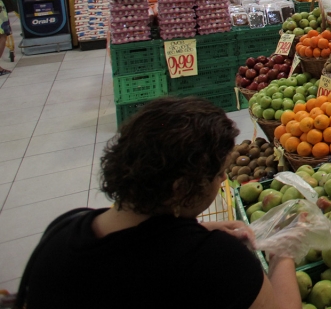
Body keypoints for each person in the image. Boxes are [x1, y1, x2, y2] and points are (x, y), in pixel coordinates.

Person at [15, 96, 301, 309]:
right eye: (218, 174)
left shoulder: (63, 230)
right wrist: (283, 252)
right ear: (181, 189)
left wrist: (204, 228)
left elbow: (135, 245)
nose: (224, 181)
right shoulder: (215, 262)